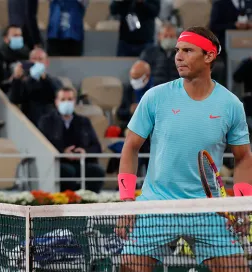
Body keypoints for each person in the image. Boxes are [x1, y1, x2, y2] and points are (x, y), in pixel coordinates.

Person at [116, 26, 251, 272]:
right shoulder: (155, 97)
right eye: (178, 50)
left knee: (237, 269)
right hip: (156, 206)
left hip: (208, 211)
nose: (178, 56)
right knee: (129, 268)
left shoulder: (231, 105)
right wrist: (127, 202)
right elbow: (130, 147)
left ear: (209, 56)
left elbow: (243, 158)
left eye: (188, 50)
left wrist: (241, 206)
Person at [38, 87, 105, 193]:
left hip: (81, 162)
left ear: (74, 102)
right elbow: (43, 146)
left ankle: (90, 201)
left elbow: (97, 147)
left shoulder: (84, 121)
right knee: (68, 172)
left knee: (97, 171)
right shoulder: (46, 121)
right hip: (58, 162)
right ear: (56, 102)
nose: (67, 102)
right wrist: (63, 152)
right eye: (63, 99)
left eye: (70, 99)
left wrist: (85, 152)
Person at [8, 47, 62, 126]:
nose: (37, 62)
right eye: (34, 59)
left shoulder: (54, 81)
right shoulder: (23, 82)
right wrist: (16, 79)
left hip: (49, 123)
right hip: (29, 122)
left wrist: (45, 79)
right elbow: (14, 99)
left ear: (46, 63)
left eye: (40, 59)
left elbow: (57, 96)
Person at [0, 25, 30, 94]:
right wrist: (12, 80)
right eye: (15, 36)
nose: (19, 38)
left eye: (20, 36)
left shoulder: (26, 55)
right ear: (5, 38)